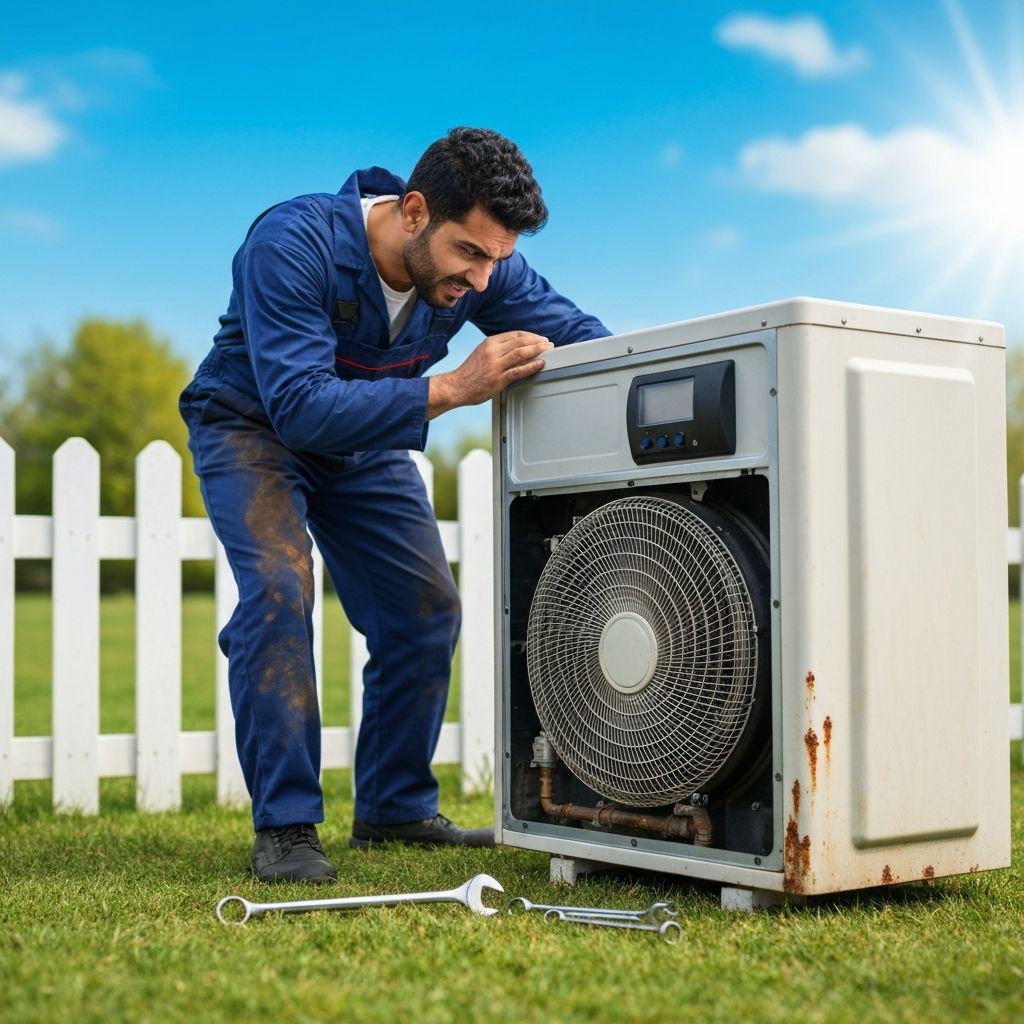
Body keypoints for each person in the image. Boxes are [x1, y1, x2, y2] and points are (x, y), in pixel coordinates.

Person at [179, 127, 610, 882]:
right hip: (253, 423)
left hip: (364, 443)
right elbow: (302, 408)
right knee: (281, 590)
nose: (482, 281)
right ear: (413, 211)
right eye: (469, 255)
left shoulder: (483, 264)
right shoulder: (291, 242)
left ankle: (393, 807)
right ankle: (285, 827)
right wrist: (454, 388)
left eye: (496, 260)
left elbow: (576, 336)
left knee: (425, 609)